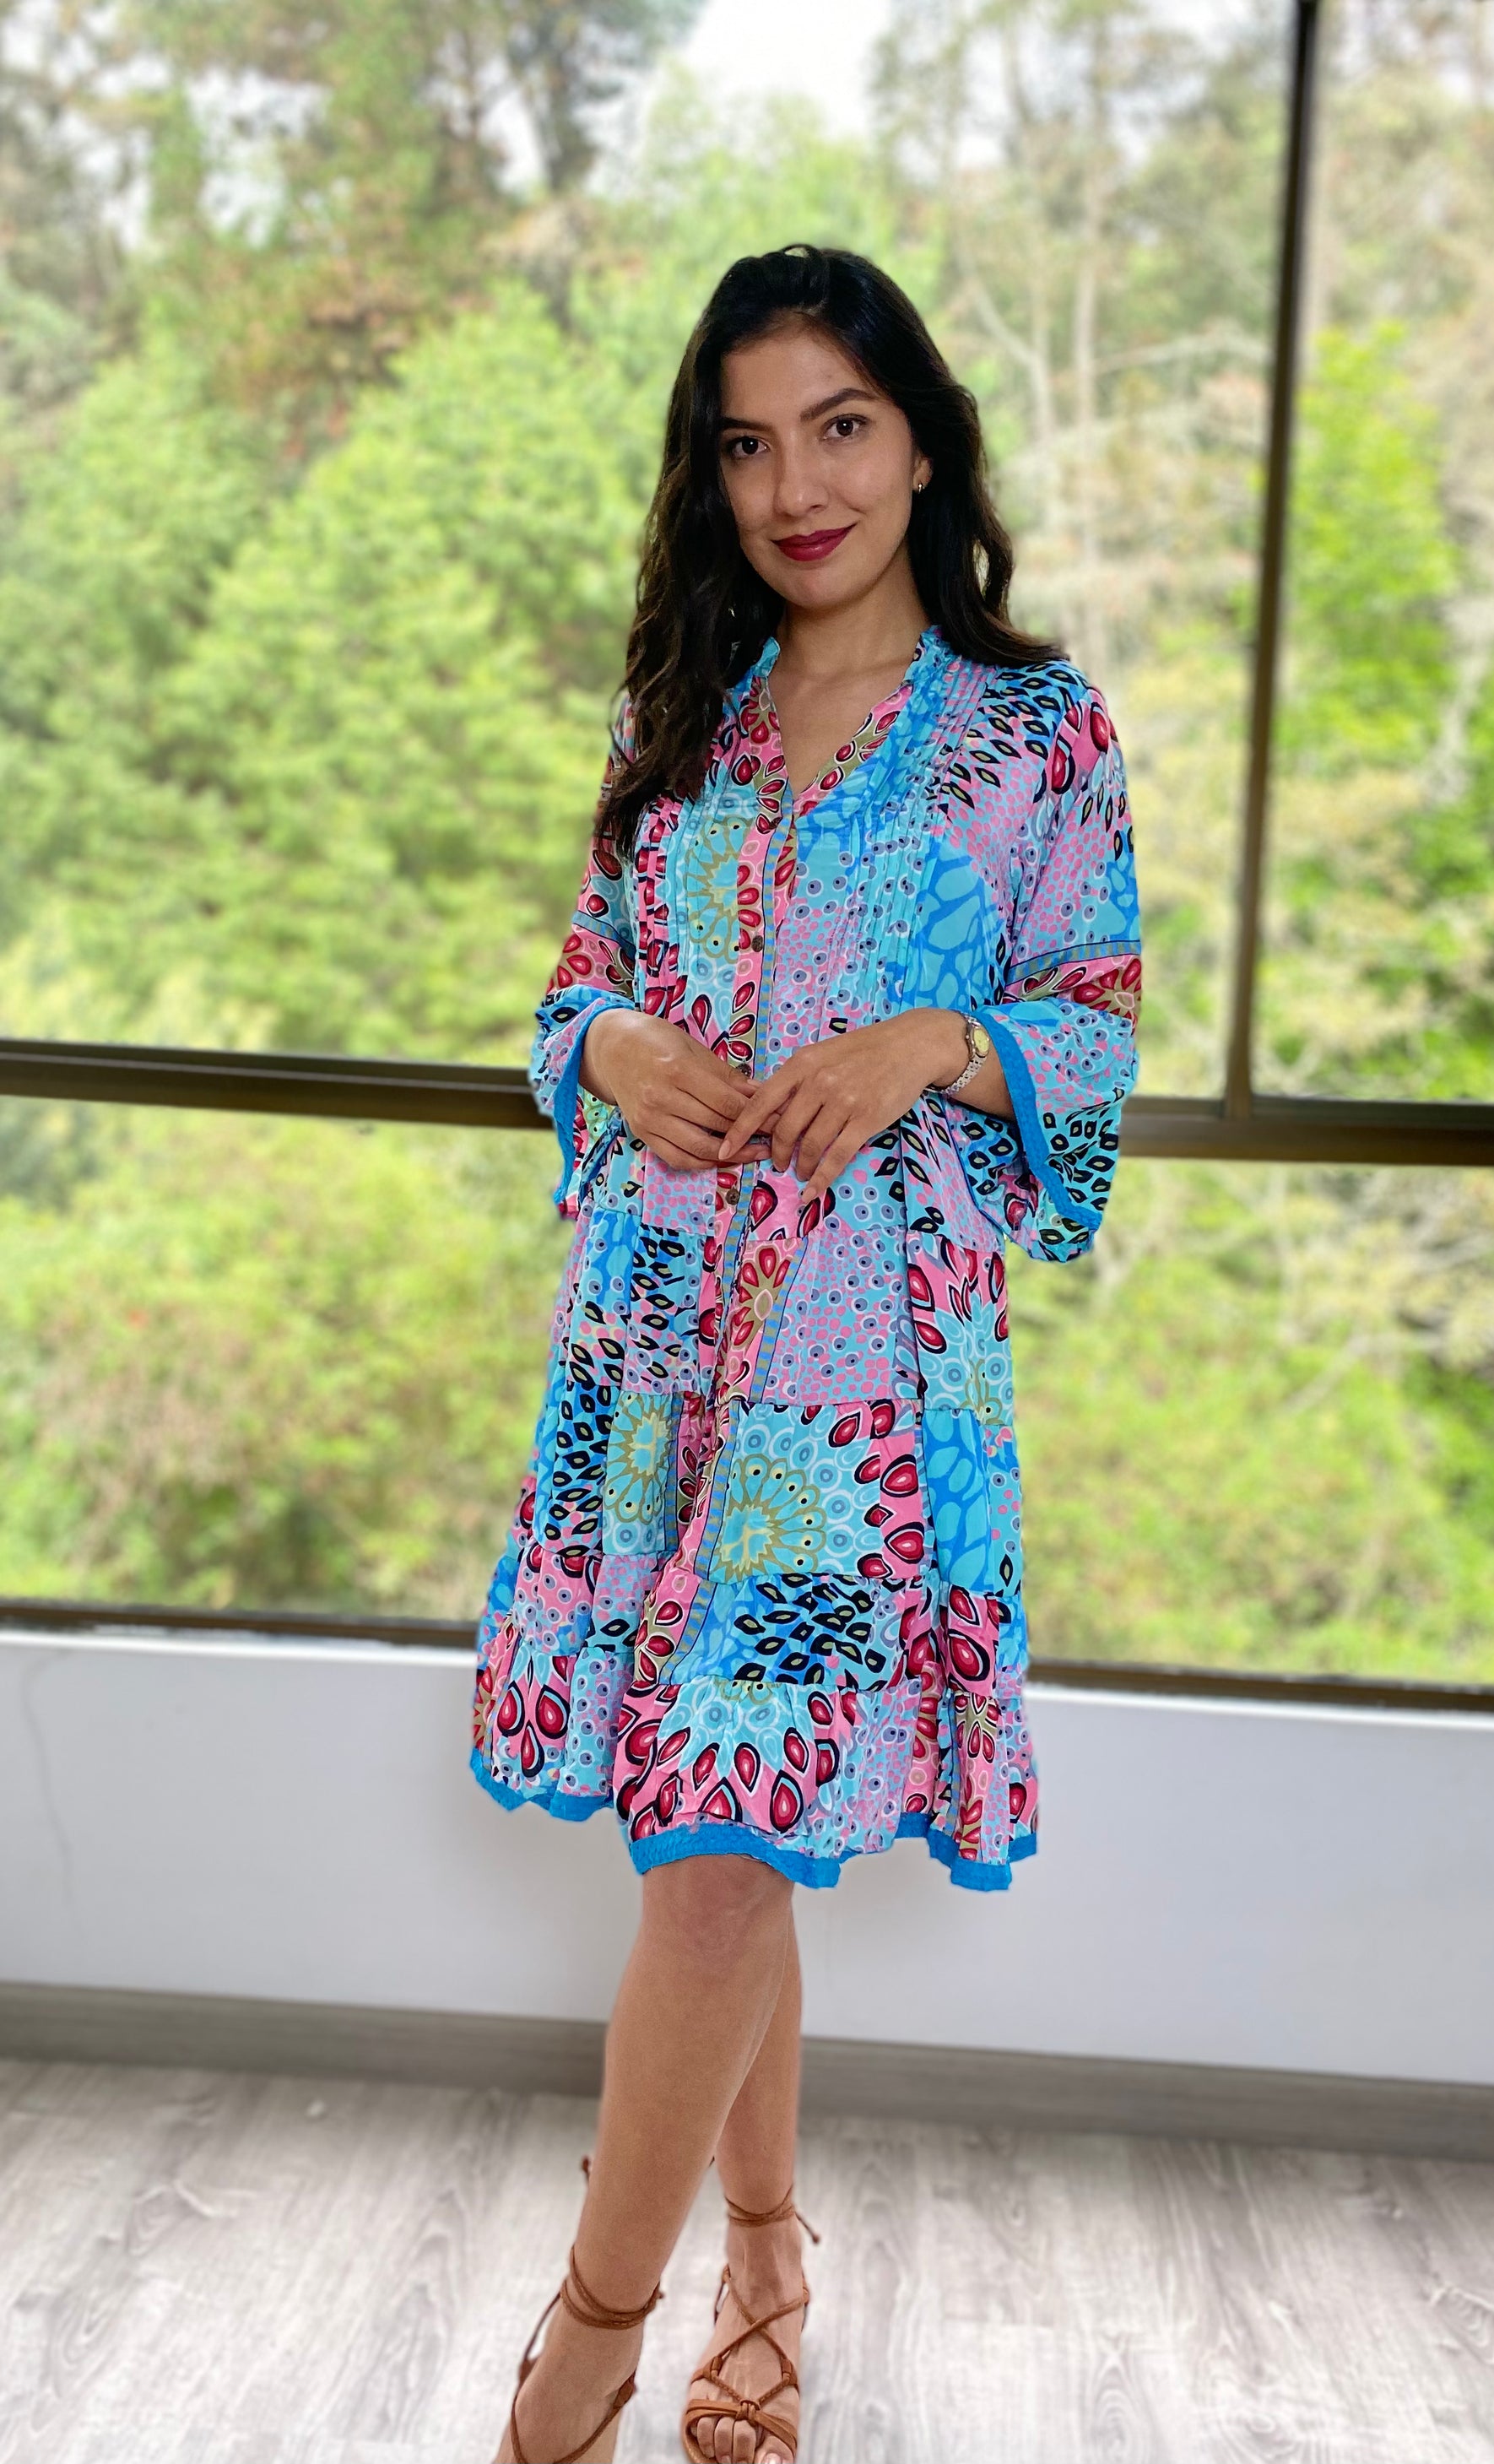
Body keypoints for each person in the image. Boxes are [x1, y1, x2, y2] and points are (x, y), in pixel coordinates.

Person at [473, 241, 1142, 2464]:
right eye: (750, 444)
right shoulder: (680, 709)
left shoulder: (1034, 734)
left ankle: (590, 2337)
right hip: (652, 1359)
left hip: (855, 1400)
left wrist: (935, 1039)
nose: (798, 486)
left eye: (840, 427)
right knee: (713, 1836)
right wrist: (610, 1046)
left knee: (719, 1852)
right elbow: (572, 984)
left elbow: (1092, 1027)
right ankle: (763, 2251)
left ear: (921, 439)